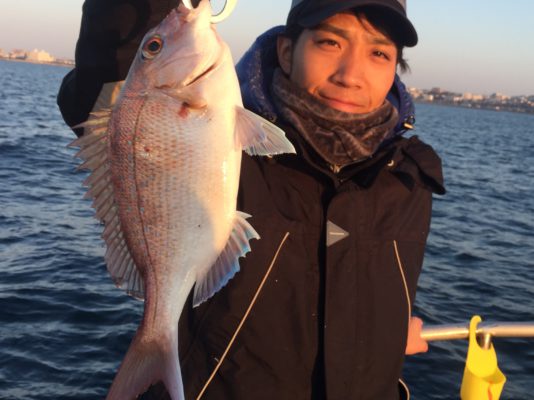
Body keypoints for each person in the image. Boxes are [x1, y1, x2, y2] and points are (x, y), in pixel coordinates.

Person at [58, 0, 445, 398]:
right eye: (329, 43)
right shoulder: (242, 147)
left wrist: (386, 334)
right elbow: (110, 76)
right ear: (286, 51)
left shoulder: (409, 178)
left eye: (379, 54)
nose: (350, 76)